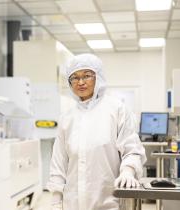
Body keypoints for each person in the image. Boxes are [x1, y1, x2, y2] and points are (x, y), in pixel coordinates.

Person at [47, 53, 146, 210]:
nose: (80, 82)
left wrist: (128, 171)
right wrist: (56, 200)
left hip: (109, 201)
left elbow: (132, 150)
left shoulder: (116, 109)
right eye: (74, 78)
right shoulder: (67, 118)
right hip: (73, 203)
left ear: (98, 77)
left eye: (87, 76)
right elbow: (59, 163)